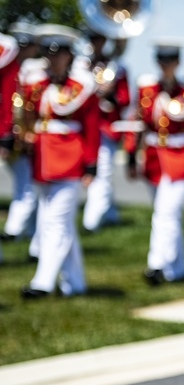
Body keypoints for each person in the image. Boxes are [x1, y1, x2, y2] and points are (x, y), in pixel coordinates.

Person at [19, 25, 99, 298]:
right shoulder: (36, 85)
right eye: (50, 54)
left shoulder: (81, 87)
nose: (54, 60)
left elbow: (91, 127)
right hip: (42, 160)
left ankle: (42, 282)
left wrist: (91, 164)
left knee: (54, 221)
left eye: (60, 54)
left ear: (69, 56)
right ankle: (75, 283)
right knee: (59, 223)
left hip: (69, 161)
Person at [129, 40, 184, 284]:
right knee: (167, 214)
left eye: (171, 62)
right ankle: (178, 268)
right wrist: (132, 154)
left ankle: (157, 264)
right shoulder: (148, 90)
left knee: (167, 211)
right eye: (163, 62)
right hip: (155, 155)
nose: (166, 67)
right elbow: (139, 123)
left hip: (181, 154)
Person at [80, 27, 130, 232]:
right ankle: (109, 214)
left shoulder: (117, 68)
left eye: (99, 39)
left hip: (106, 127)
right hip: (86, 126)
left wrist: (110, 94)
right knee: (99, 171)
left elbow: (125, 100)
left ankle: (90, 222)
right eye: (93, 39)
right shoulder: (80, 66)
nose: (96, 44)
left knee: (103, 172)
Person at [1, 23, 39, 248]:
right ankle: (16, 230)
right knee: (26, 186)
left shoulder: (35, 71)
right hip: (16, 137)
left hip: (29, 137)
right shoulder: (13, 70)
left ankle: (18, 230)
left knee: (29, 187)